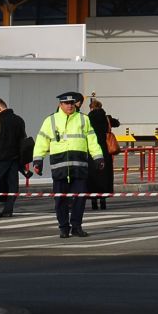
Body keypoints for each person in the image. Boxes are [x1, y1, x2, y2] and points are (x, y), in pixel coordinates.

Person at [31, 91, 103, 239]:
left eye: (72, 103)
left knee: (80, 198)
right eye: (66, 103)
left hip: (79, 167)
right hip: (60, 167)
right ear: (60, 104)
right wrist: (38, 160)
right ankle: (64, 227)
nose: (70, 106)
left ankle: (76, 227)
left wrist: (98, 157)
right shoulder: (50, 120)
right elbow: (41, 142)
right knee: (60, 200)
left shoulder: (83, 119)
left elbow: (92, 140)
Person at [87, 98, 120, 210]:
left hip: (92, 150)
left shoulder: (88, 118)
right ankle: (103, 201)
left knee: (93, 175)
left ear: (91, 108)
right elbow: (117, 123)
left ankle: (94, 201)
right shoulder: (106, 118)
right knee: (104, 174)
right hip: (105, 150)